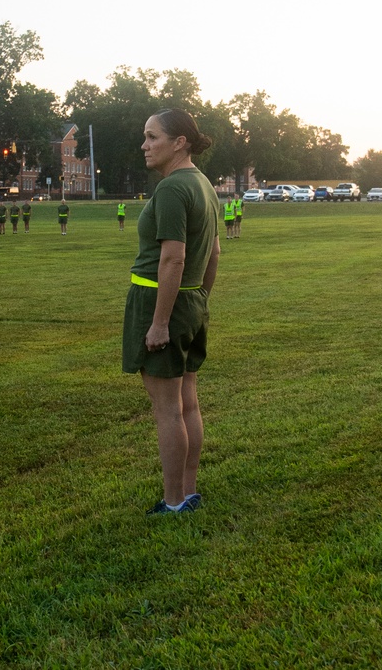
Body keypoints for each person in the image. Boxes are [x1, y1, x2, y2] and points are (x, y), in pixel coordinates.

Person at [123, 108, 220, 515]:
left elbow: (173, 259)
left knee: (167, 409)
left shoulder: (171, 188)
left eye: (151, 137)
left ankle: (174, 500)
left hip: (160, 303)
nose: (144, 145)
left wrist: (160, 321)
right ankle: (188, 491)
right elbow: (214, 252)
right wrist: (200, 301)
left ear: (179, 142)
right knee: (187, 404)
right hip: (192, 300)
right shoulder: (204, 184)